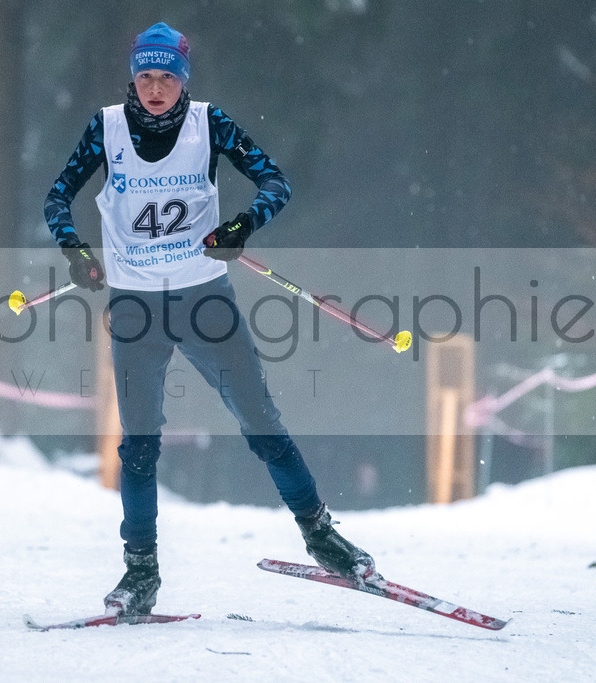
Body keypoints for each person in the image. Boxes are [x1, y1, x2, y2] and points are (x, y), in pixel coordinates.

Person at [45, 22, 380, 616]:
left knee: (261, 423)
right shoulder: (107, 127)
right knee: (139, 444)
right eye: (145, 77)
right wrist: (75, 251)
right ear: (132, 77)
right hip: (135, 306)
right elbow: (57, 197)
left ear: (184, 80)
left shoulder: (209, 124)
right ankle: (140, 573)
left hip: (205, 301)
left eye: (167, 78)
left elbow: (275, 182)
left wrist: (241, 226)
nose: (155, 89)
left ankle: (321, 536)